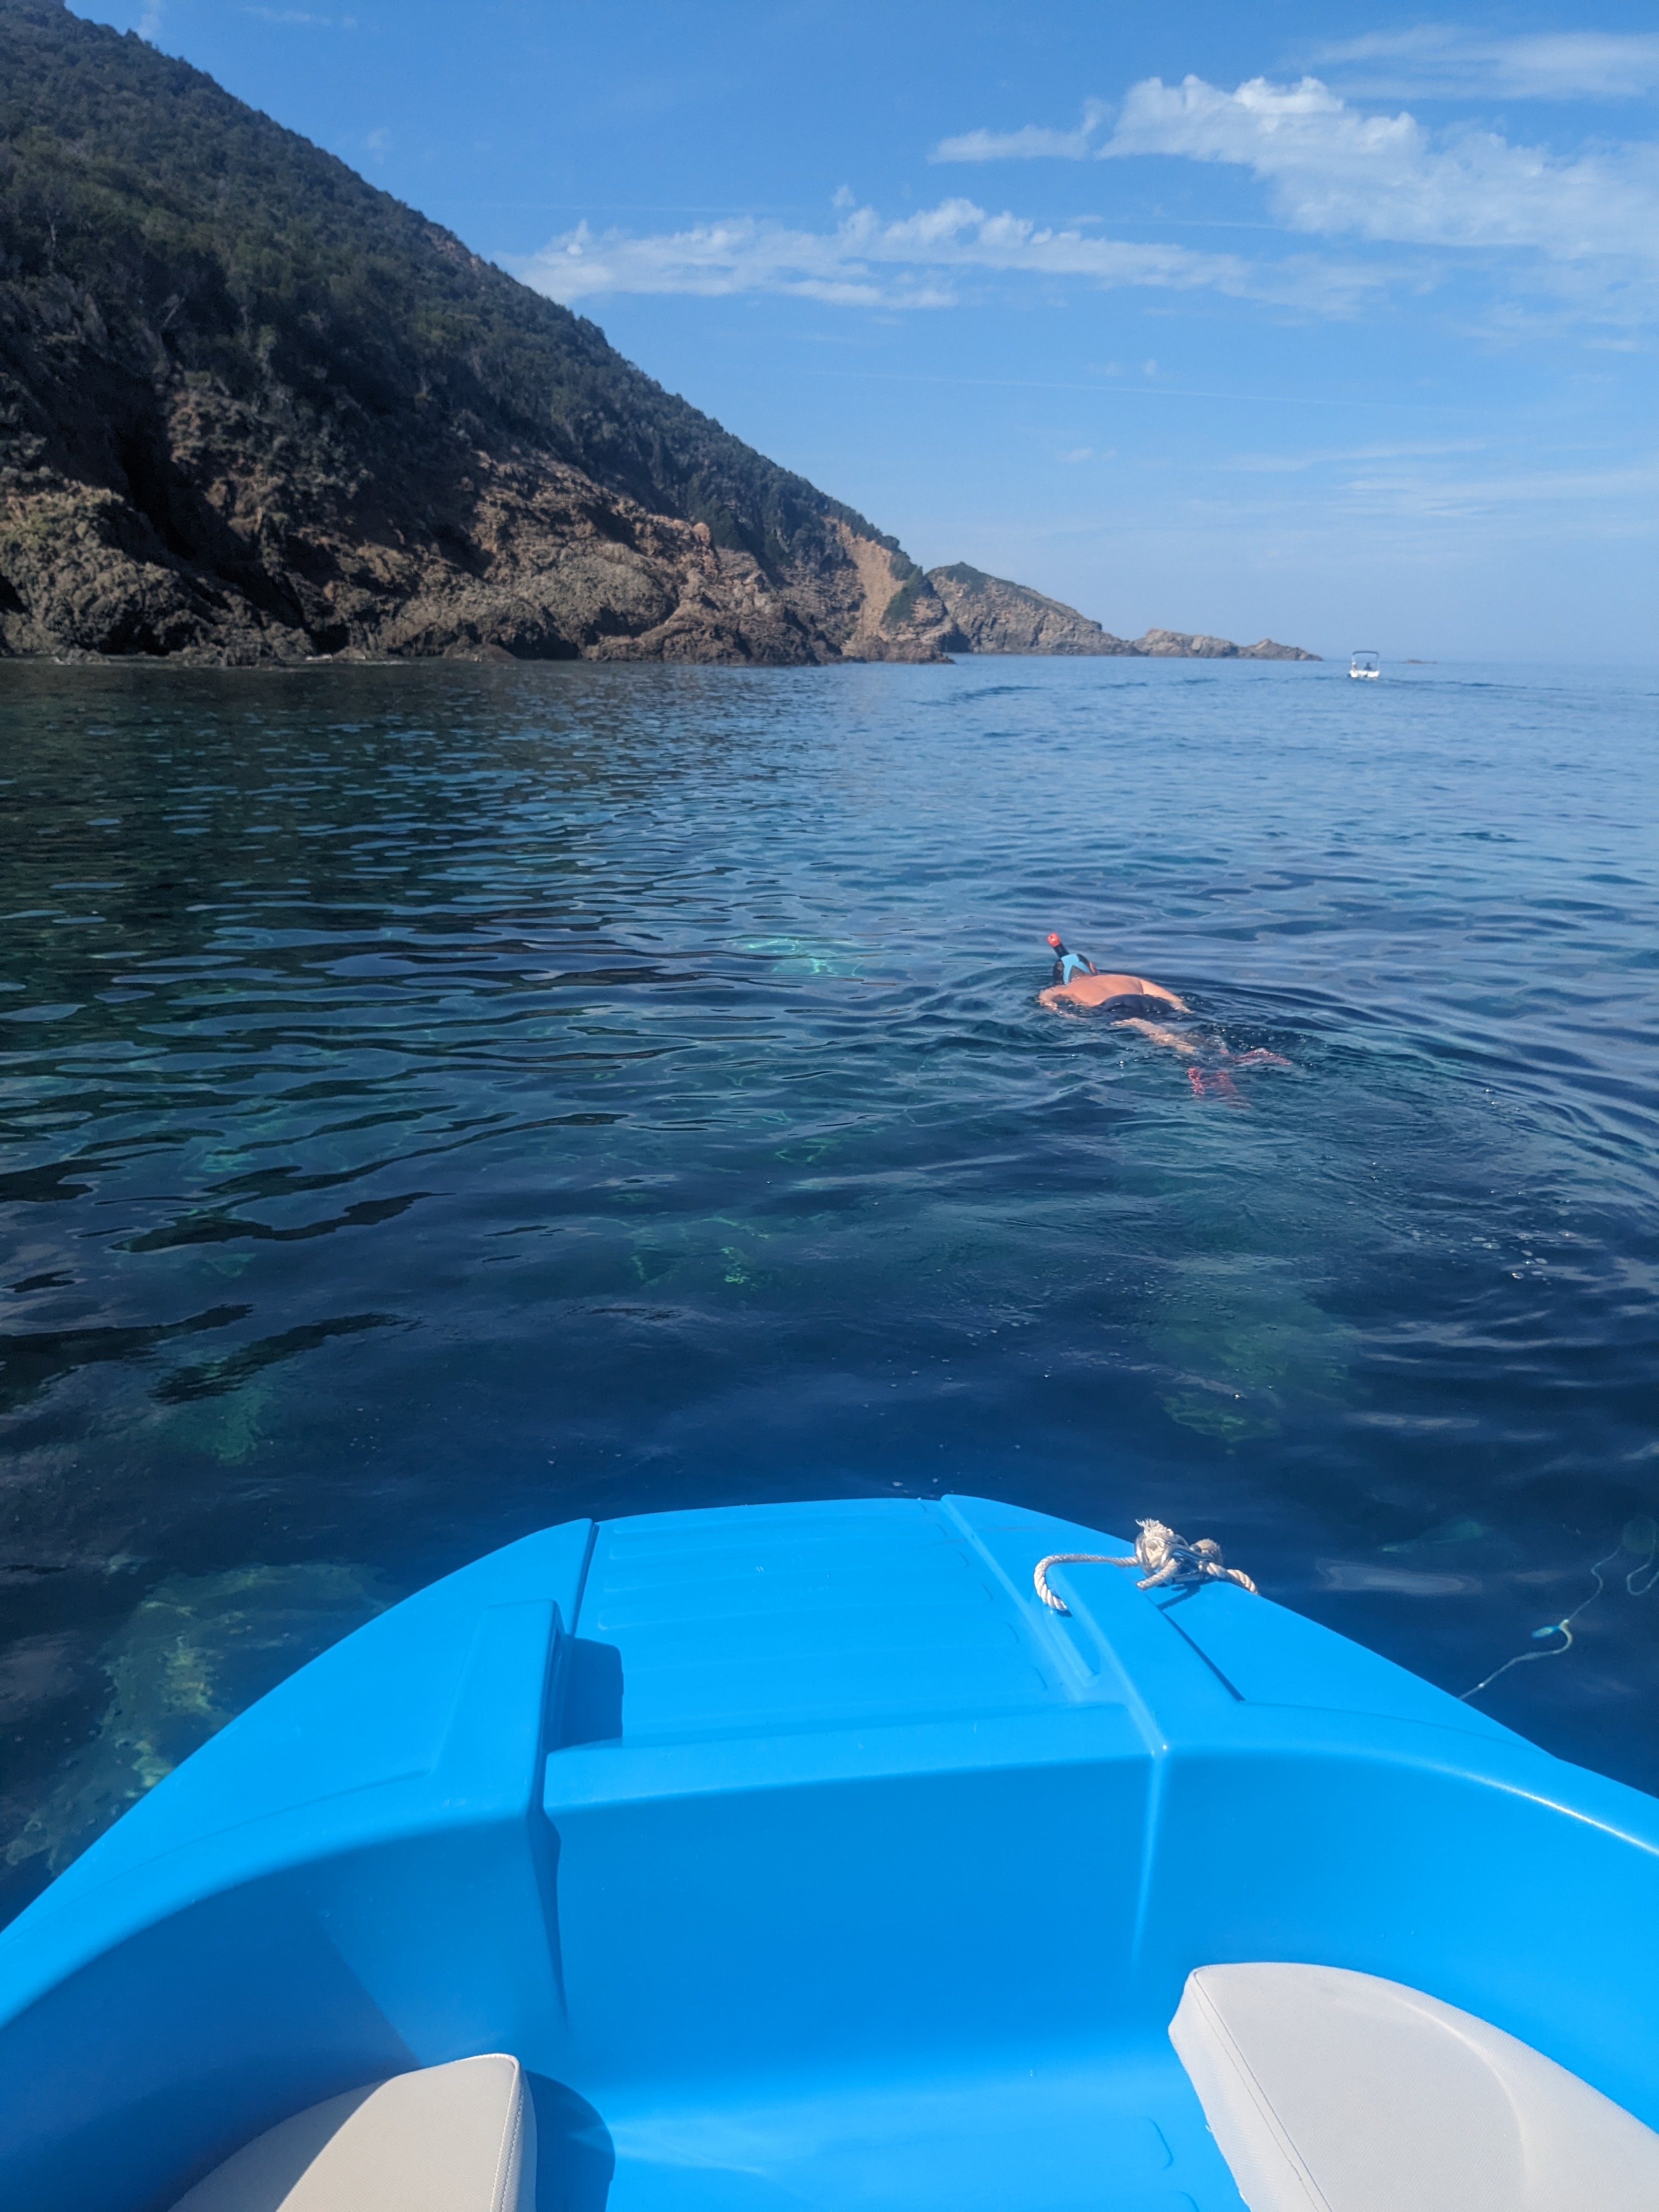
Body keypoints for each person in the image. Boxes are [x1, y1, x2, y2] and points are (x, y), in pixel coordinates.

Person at [1037, 929, 1289, 1098]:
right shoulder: (1124, 978)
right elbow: (1175, 1001)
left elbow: (1047, 1002)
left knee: (1151, 1030)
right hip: (1152, 1003)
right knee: (1177, 1028)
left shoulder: (1062, 989)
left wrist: (1073, 1017)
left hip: (1114, 1007)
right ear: (1092, 968)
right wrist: (1184, 1012)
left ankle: (1202, 1063)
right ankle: (1226, 1053)